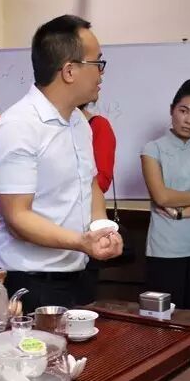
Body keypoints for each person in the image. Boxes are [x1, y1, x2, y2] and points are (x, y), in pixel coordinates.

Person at [0, 15, 123, 314]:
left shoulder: (79, 122)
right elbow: (17, 217)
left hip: (79, 273)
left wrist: (102, 231)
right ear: (69, 71)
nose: (101, 73)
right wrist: (82, 242)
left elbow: (90, 184)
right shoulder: (18, 126)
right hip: (32, 281)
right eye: (97, 63)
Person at [140, 79, 190, 309]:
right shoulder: (152, 149)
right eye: (184, 111)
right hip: (165, 248)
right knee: (163, 317)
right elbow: (161, 196)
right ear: (172, 109)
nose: (189, 120)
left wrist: (180, 212)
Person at [76, 104, 117, 305]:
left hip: (85, 229)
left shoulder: (96, 125)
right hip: (45, 240)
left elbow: (100, 182)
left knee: (81, 305)